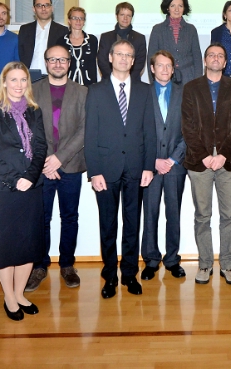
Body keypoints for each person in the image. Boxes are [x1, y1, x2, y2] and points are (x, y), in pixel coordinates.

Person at [84, 39, 156, 299]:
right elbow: (90, 134)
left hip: (136, 168)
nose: (124, 58)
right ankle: (110, 276)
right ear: (110, 57)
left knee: (132, 224)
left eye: (129, 55)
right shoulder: (96, 91)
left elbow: (149, 131)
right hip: (106, 169)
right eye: (119, 54)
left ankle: (129, 274)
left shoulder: (145, 90)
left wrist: (149, 166)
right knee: (108, 225)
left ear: (134, 61)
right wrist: (94, 171)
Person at [0, 62, 47, 321]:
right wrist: (14, 180)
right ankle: (9, 297)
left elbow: (41, 148)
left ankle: (20, 294)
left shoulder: (34, 111)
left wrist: (30, 177)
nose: (19, 85)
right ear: (4, 82)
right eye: (13, 79)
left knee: (28, 245)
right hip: (2, 189)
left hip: (31, 188)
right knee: (5, 247)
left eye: (23, 80)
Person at [181, 44, 231, 285]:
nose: (215, 58)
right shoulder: (191, 88)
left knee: (229, 215)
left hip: (228, 160)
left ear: (225, 62)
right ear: (205, 60)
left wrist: (223, 155)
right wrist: (205, 155)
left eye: (220, 55)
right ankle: (205, 264)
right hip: (200, 161)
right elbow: (187, 126)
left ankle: (228, 265)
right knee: (202, 215)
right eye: (211, 55)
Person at [26, 45, 88, 292]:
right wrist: (46, 160)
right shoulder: (33, 90)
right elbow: (28, 128)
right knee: (41, 219)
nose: (58, 63)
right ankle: (39, 266)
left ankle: (67, 265)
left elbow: (85, 129)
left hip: (70, 165)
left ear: (69, 63)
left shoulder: (83, 92)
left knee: (70, 217)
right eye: (53, 59)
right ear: (46, 62)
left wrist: (59, 158)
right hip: (41, 166)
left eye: (62, 59)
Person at [140, 50, 188, 281]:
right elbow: (137, 131)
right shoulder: (142, 94)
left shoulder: (184, 93)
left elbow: (190, 129)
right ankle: (151, 260)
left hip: (175, 165)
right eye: (160, 65)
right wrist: (153, 161)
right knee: (150, 213)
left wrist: (172, 159)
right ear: (152, 69)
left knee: (173, 213)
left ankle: (172, 259)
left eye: (169, 65)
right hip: (149, 166)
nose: (165, 69)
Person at [148, 0, 203, 86]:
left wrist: (198, 81)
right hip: (164, 76)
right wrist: (153, 81)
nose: (177, 9)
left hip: (189, 77)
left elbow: (197, 57)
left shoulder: (191, 29)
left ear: (184, 8)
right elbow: (151, 57)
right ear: (167, 8)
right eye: (173, 6)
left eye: (180, 6)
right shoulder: (157, 29)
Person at [18, 0, 69, 80]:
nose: (43, 9)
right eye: (39, 6)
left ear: (52, 8)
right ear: (34, 9)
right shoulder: (25, 29)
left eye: (47, 5)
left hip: (52, 77)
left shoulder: (62, 31)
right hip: (28, 77)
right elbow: (20, 53)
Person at [97, 1, 147, 81]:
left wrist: (126, 79)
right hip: (109, 82)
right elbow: (102, 62)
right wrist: (114, 79)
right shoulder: (105, 37)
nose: (125, 18)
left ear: (132, 18)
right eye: (122, 15)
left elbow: (140, 63)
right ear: (116, 16)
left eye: (128, 15)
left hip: (132, 82)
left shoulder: (140, 38)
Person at [54, 7, 99, 86]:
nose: (78, 21)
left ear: (84, 22)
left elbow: (93, 64)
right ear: (69, 21)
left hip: (88, 84)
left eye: (81, 18)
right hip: (67, 84)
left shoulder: (92, 40)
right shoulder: (61, 41)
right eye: (75, 18)